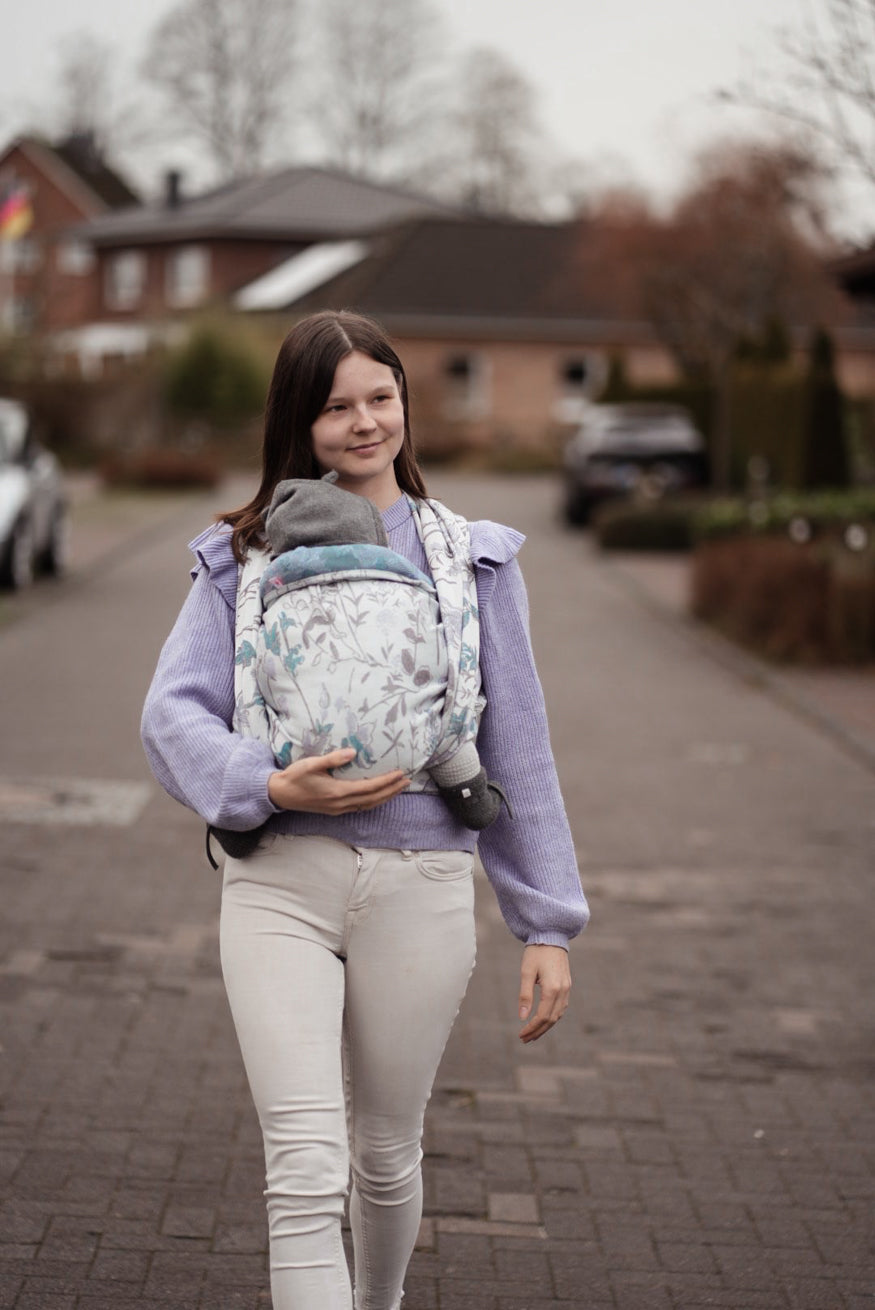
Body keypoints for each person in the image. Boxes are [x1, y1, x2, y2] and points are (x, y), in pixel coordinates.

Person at [141, 310, 589, 1310]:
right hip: (278, 889)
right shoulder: (237, 554)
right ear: (298, 424)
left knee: (384, 1155)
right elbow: (170, 714)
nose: (362, 421)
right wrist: (262, 782)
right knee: (304, 1166)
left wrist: (546, 920)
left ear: (403, 402)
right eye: (335, 406)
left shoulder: (471, 560)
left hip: (421, 892)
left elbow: (517, 742)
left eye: (379, 397)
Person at [209, 471, 507, 862]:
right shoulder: (411, 576)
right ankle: (470, 793)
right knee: (442, 717)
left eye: (380, 402)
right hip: (412, 755)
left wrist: (258, 788)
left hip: (295, 768)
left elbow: (253, 688)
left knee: (260, 710)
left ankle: (241, 826)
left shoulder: (265, 584)